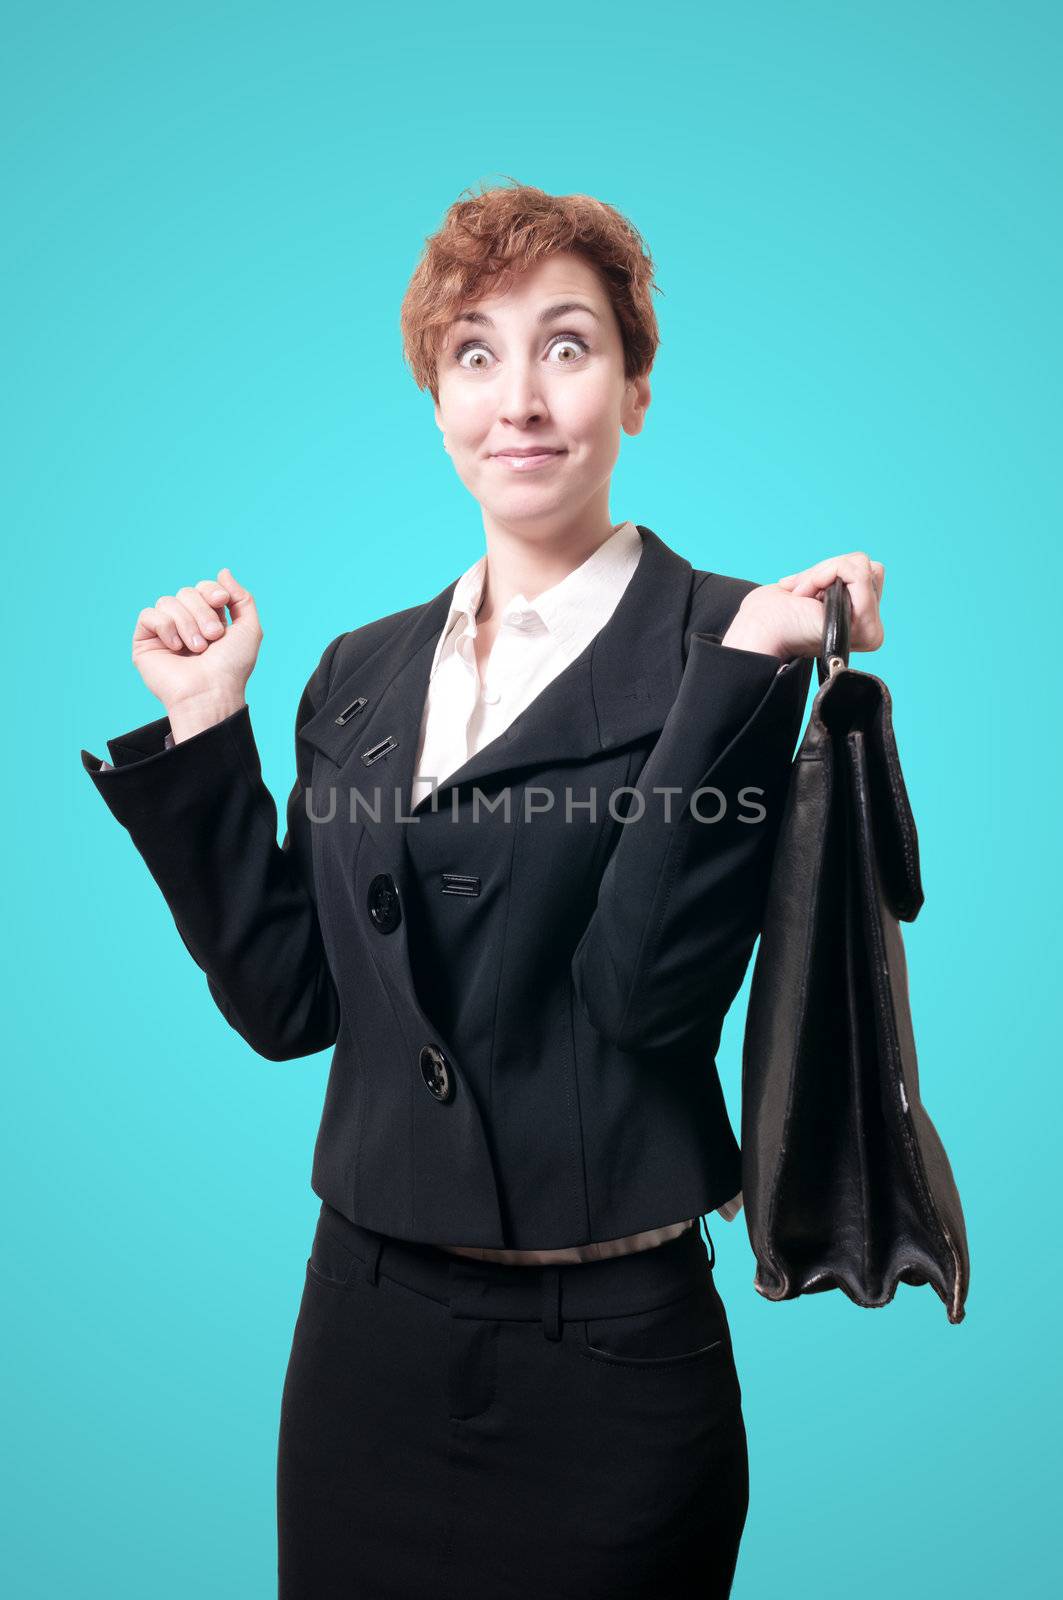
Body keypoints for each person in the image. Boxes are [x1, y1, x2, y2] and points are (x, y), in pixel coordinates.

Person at [82, 179, 885, 1599]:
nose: (519, 396)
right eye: (475, 352)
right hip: (364, 1341)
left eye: (567, 346)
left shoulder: (734, 640)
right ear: (438, 402)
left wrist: (750, 679)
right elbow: (287, 1003)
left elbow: (643, 997)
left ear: (634, 388)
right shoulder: (357, 672)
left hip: (616, 1359)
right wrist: (212, 728)